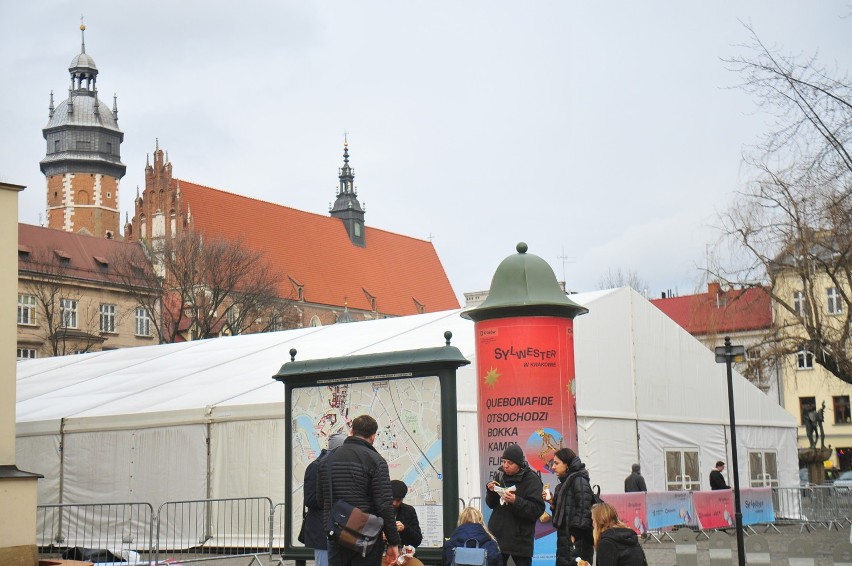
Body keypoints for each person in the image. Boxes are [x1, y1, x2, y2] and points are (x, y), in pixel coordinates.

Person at [318, 415, 400, 566]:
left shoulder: (326, 461)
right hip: (366, 538)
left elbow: (320, 499)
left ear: (352, 431)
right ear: (373, 436)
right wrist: (394, 542)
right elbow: (384, 505)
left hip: (336, 535)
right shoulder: (376, 460)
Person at [485, 444, 545, 566]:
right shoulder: (500, 475)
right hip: (498, 538)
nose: (505, 466)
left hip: (520, 541)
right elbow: (491, 504)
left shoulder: (532, 479)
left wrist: (515, 501)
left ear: (519, 464)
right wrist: (491, 492)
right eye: (504, 462)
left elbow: (537, 509)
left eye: (510, 463)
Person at [543, 447, 595, 566]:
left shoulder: (579, 480)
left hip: (577, 543)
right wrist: (552, 503)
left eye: (556, 463)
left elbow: (584, 510)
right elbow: (560, 518)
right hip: (564, 542)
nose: (553, 467)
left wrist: (574, 536)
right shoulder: (562, 486)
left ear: (567, 465)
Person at [304, 431, 348, 566]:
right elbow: (310, 499)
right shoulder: (316, 467)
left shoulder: (335, 466)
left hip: (335, 528)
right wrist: (334, 499)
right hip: (321, 530)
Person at [391, 480, 423, 548]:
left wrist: (404, 529)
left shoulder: (409, 511)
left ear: (402, 499)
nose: (394, 503)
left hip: (403, 554)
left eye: (398, 500)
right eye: (392, 499)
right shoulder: (377, 510)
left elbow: (417, 540)